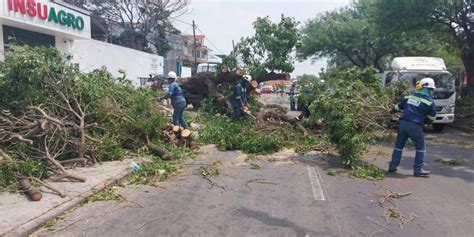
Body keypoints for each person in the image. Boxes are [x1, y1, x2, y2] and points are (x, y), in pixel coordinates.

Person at [388, 77, 437, 177]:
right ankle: (418, 170)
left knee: (398, 146)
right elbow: (432, 117)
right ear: (427, 89)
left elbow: (397, 107)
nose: (432, 92)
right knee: (421, 148)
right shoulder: (430, 102)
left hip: (402, 124)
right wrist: (426, 122)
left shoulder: (408, 97)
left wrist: (391, 111)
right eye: (431, 89)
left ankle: (392, 166)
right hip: (415, 126)